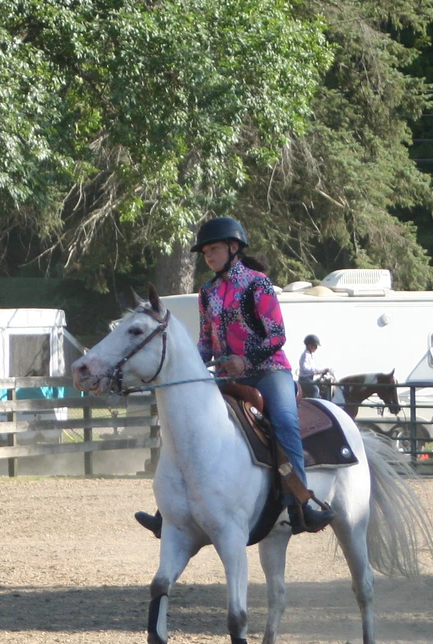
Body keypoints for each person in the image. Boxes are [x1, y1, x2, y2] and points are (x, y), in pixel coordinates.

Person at [134, 216, 334, 538]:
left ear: (233, 247)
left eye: (213, 249)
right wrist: (191, 368)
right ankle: (168, 510)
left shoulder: (257, 283)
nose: (208, 256)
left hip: (269, 371)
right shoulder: (207, 291)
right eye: (205, 252)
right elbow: (205, 340)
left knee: (284, 420)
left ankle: (302, 503)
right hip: (226, 376)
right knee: (186, 421)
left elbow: (277, 335)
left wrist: (247, 359)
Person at [297, 334, 333, 399]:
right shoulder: (305, 355)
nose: (316, 348)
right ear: (310, 345)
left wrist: (321, 371)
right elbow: (305, 368)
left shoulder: (310, 355)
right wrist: (318, 371)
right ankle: (313, 406)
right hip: (304, 379)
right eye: (315, 346)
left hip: (309, 378)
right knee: (316, 390)